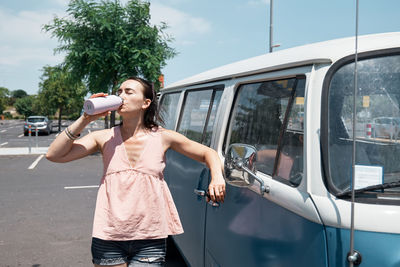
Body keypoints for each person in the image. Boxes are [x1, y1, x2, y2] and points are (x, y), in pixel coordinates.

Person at [46, 77, 226, 267]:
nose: (121, 96)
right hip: (109, 234)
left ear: (145, 103)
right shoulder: (103, 137)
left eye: (128, 92)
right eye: (119, 92)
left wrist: (216, 178)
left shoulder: (164, 137)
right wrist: (85, 119)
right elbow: (54, 154)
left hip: (150, 236)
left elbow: (208, 153)